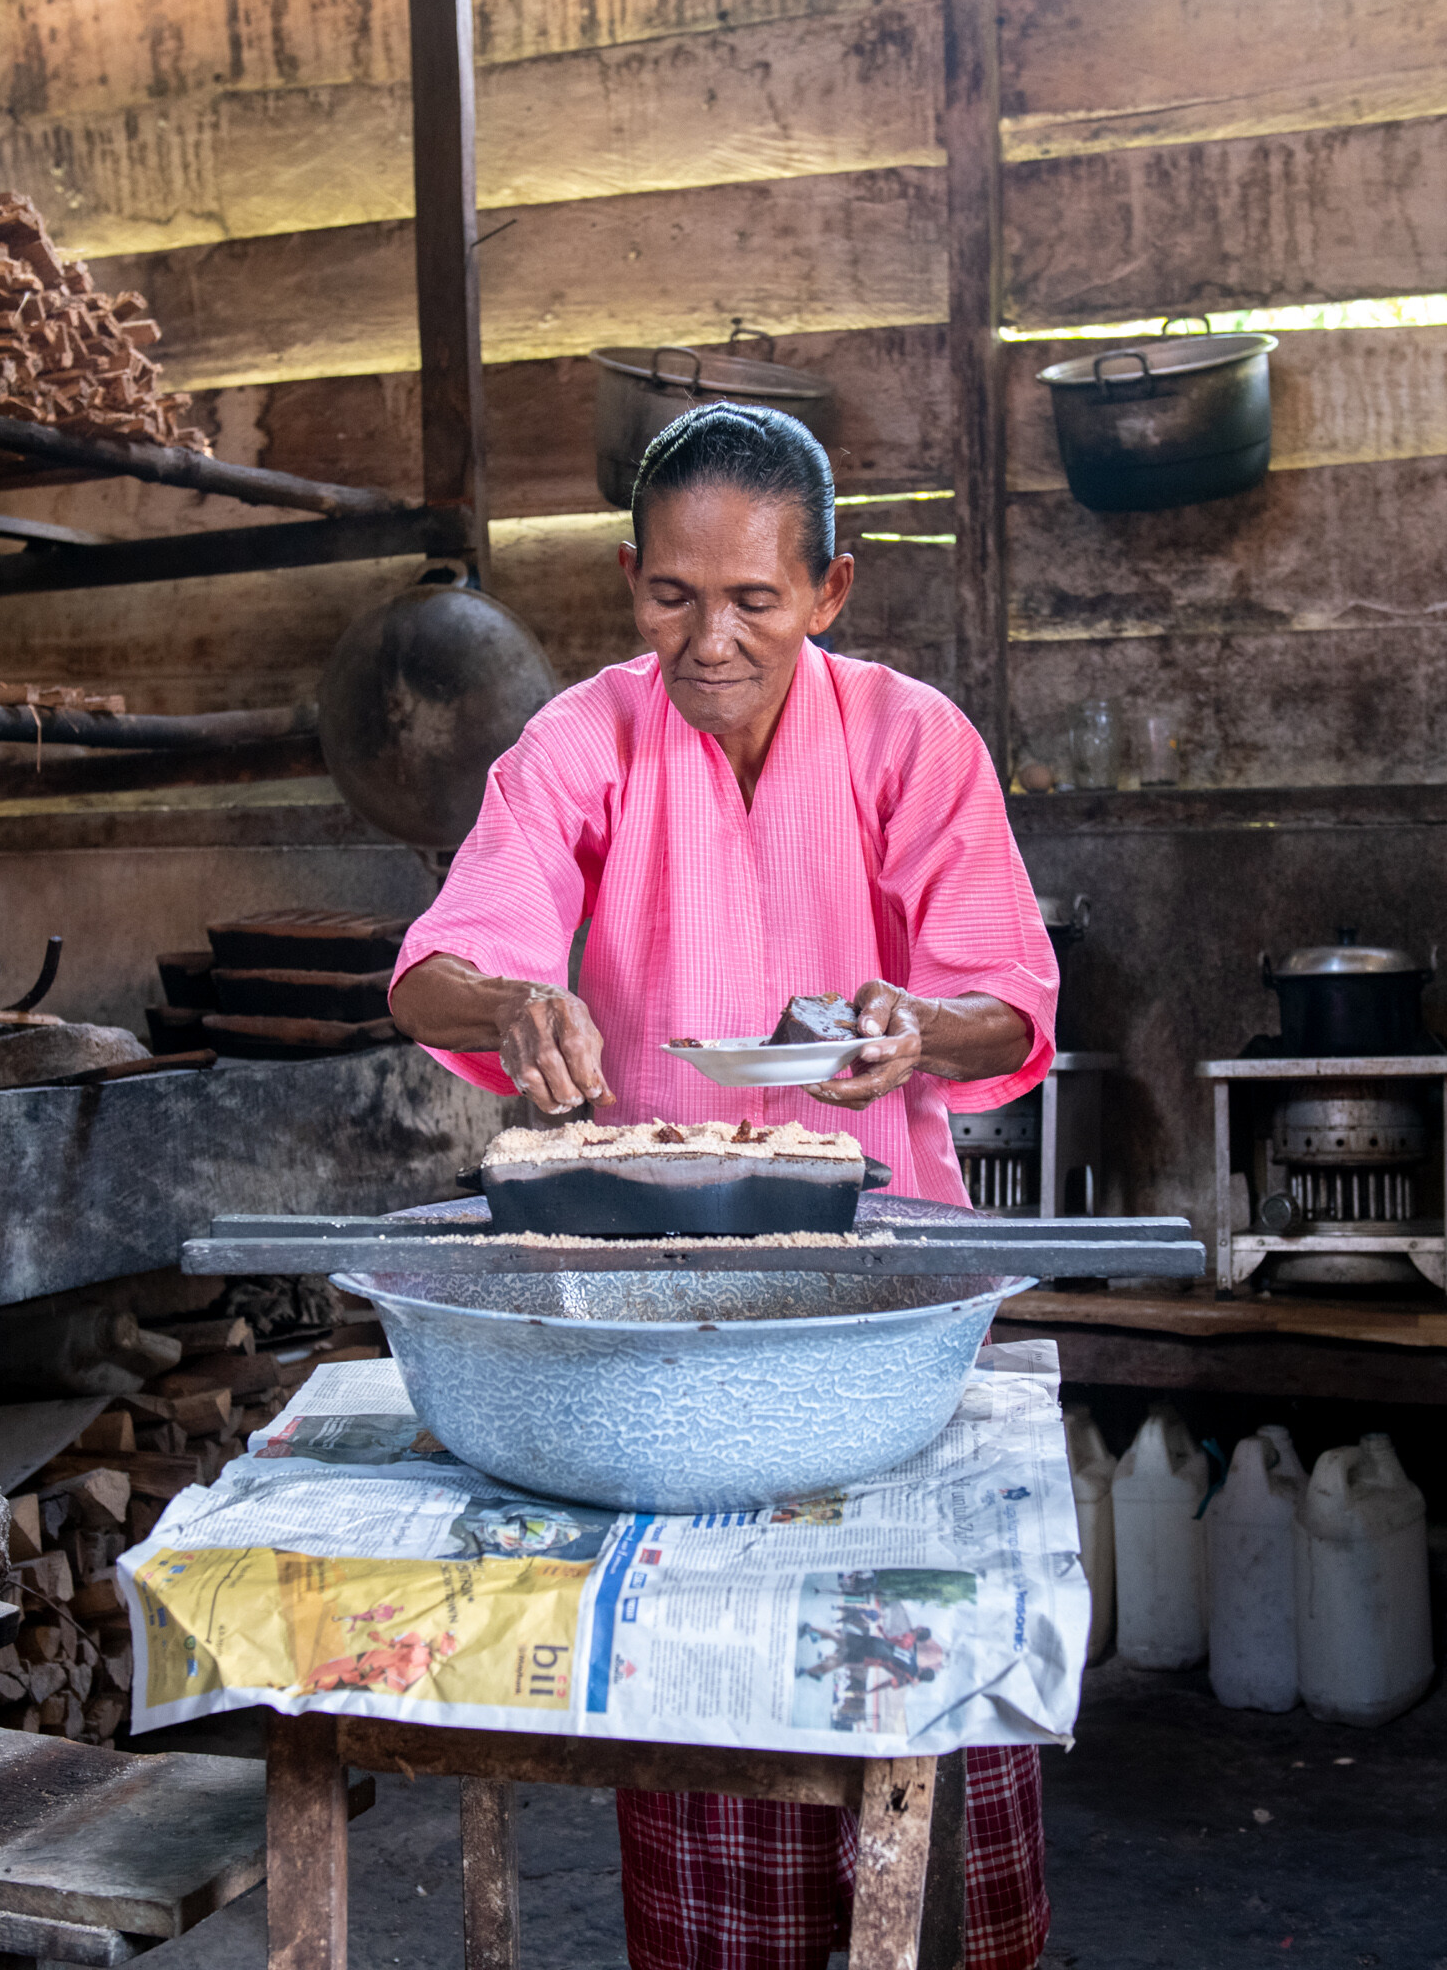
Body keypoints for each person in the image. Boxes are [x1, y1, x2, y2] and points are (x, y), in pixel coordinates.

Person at [388, 401, 1057, 1970]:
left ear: (830, 589)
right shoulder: (582, 742)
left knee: (920, 1695)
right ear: (630, 580)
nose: (711, 641)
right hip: (653, 1311)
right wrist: (513, 1001)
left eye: (756, 599)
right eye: (674, 596)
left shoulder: (911, 740)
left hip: (885, 1294)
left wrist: (919, 1025)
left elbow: (1013, 1006)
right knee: (701, 1691)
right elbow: (433, 973)